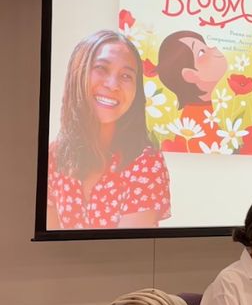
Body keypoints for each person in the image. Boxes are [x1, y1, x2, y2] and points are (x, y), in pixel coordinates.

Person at [47, 30, 171, 230]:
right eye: (101, 68)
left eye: (125, 76)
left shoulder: (145, 161)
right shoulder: (54, 156)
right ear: (78, 73)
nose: (113, 85)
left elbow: (127, 253)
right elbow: (48, 248)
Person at [156, 30, 227, 153]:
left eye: (207, 46)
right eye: (201, 53)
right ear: (190, 75)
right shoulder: (194, 123)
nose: (215, 48)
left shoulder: (204, 109)